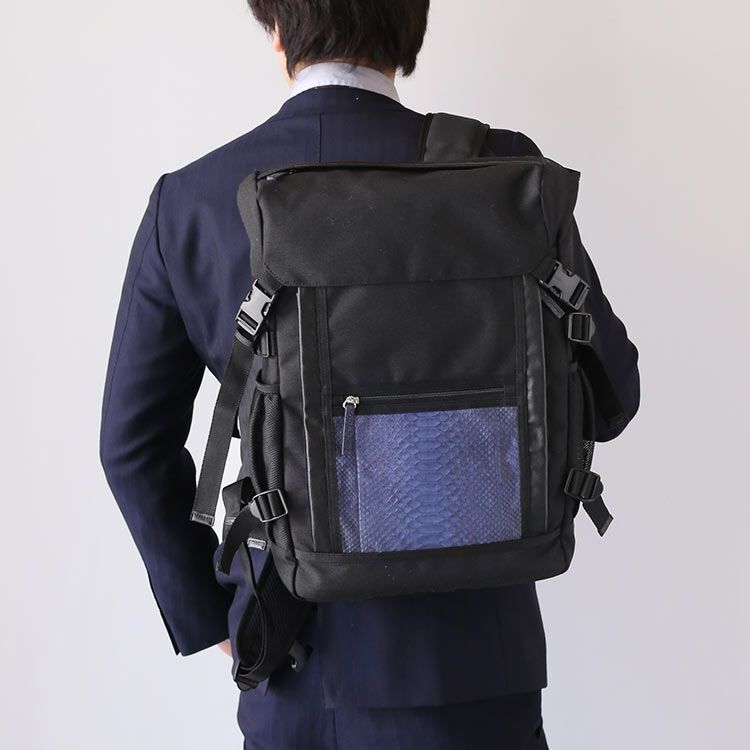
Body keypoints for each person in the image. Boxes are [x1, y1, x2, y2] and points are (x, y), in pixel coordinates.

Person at [100, 1, 640, 747]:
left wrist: (213, 617)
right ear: (411, 26)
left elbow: (131, 447)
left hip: (296, 657)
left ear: (278, 31)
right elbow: (612, 396)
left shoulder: (193, 201)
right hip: (481, 670)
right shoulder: (504, 173)